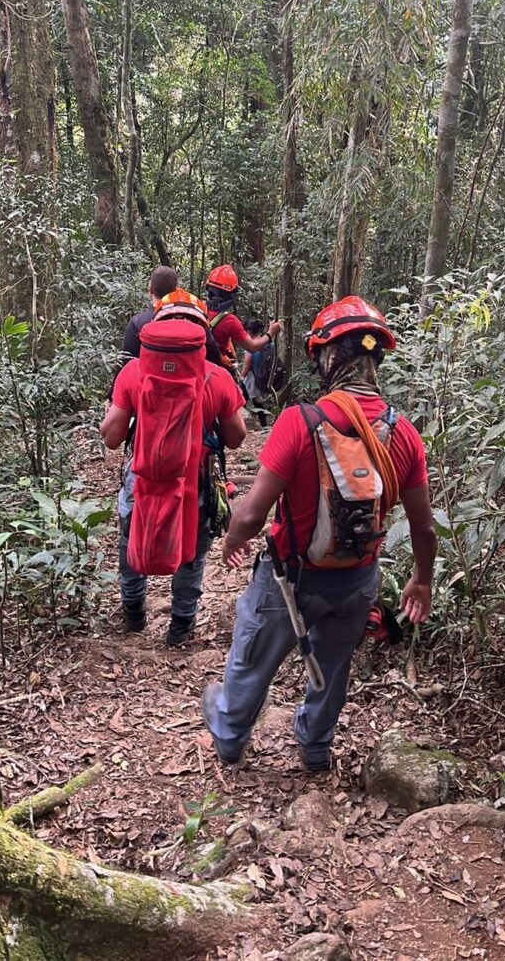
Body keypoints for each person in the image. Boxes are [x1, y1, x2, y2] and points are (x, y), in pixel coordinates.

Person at [201, 296, 436, 770]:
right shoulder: (405, 434)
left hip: (291, 577)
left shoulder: (300, 422)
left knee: (253, 655)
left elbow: (251, 515)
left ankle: (229, 734)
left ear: (326, 358)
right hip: (356, 579)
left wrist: (233, 538)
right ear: (376, 359)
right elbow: (424, 527)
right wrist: (422, 579)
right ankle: (314, 747)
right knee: (333, 664)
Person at [100, 296, 246, 646]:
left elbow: (111, 438)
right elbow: (237, 438)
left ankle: (133, 614)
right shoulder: (218, 377)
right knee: (192, 552)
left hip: (141, 476)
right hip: (196, 478)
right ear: (202, 335)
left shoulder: (133, 372)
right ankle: (180, 627)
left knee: (131, 538)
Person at [205, 265, 281, 372]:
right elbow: (252, 347)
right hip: (217, 372)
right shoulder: (230, 321)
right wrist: (271, 333)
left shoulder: (197, 309)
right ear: (231, 295)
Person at [122, 265, 178, 360]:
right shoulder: (191, 319)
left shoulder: (137, 323)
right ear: (175, 291)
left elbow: (127, 361)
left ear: (150, 289)